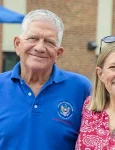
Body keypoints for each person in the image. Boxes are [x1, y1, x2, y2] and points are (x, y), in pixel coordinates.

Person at [0, 9, 92, 150]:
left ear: (58, 53)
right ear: (17, 45)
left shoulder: (81, 88)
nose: (40, 47)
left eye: (49, 42)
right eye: (33, 38)